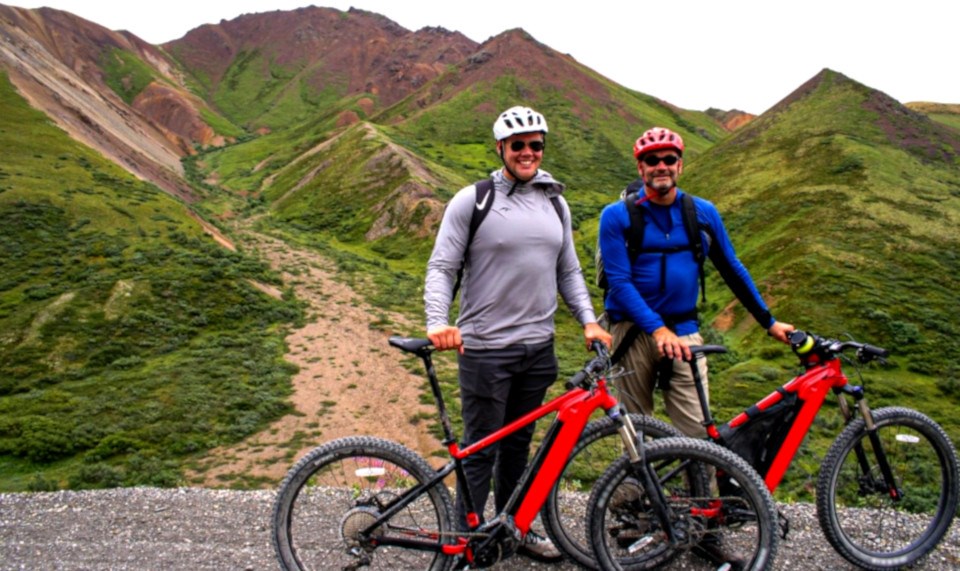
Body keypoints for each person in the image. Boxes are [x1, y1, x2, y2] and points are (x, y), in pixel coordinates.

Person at [424, 105, 611, 563]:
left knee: (518, 447)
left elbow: (569, 269)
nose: (528, 152)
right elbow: (442, 267)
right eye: (518, 145)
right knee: (480, 448)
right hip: (485, 348)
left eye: (535, 145)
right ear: (501, 149)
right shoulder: (475, 199)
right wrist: (436, 322)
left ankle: (514, 529)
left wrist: (588, 319)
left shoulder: (555, 201)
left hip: (536, 349)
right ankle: (463, 540)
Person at [598, 127, 793, 567]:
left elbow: (732, 266)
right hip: (632, 331)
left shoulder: (701, 213)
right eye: (652, 160)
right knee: (635, 426)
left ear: (681, 165)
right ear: (640, 167)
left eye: (669, 159)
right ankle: (631, 516)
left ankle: (702, 526)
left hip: (684, 332)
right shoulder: (618, 216)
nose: (661, 166)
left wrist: (768, 321)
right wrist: (655, 328)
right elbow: (619, 281)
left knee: (697, 434)